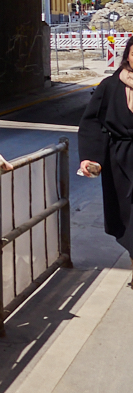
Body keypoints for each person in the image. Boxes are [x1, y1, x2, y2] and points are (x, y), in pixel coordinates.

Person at [78, 35, 133, 286]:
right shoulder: (110, 86)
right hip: (119, 159)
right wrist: (91, 158)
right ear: (127, 55)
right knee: (126, 213)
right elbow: (93, 123)